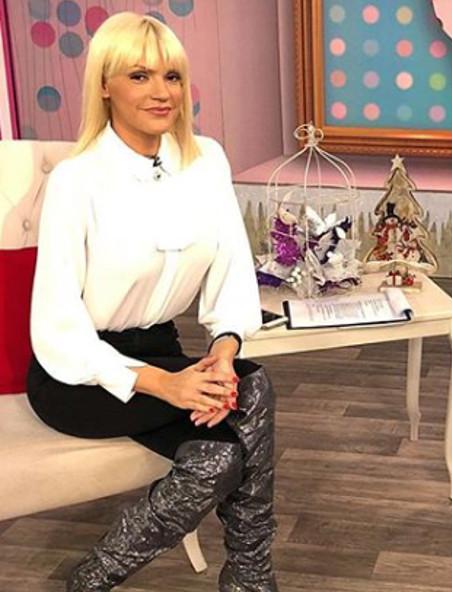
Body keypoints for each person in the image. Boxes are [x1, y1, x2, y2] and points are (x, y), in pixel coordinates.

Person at [26, 13, 278, 591]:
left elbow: (231, 264)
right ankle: (93, 580)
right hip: (81, 374)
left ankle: (250, 576)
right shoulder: (76, 181)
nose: (162, 92)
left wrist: (223, 351)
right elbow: (58, 327)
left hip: (162, 349)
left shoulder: (205, 160)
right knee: (221, 454)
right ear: (105, 85)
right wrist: (167, 385)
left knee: (250, 387)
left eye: (172, 76)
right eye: (139, 76)